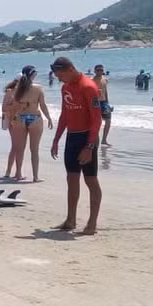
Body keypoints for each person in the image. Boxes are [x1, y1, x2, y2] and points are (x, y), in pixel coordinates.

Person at [50, 57, 102, 235]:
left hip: (87, 137)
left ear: (70, 69)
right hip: (72, 137)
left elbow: (97, 120)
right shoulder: (66, 88)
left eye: (61, 75)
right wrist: (56, 139)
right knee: (71, 179)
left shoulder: (89, 87)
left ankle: (92, 223)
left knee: (90, 180)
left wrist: (89, 146)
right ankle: (70, 219)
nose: (59, 79)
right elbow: (65, 115)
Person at [8, 65, 54, 182]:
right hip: (35, 118)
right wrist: (48, 118)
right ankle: (35, 176)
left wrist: (11, 119)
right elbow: (42, 105)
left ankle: (18, 174)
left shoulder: (18, 88)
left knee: (20, 148)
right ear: (32, 74)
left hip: (20, 118)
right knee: (34, 149)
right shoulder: (38, 88)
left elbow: (13, 105)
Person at [92, 65, 112, 145]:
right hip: (95, 102)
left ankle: (104, 140)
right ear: (95, 71)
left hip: (104, 102)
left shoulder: (105, 80)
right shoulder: (92, 80)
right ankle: (95, 139)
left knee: (108, 121)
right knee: (96, 122)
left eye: (101, 70)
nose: (100, 71)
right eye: (98, 70)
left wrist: (108, 103)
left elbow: (105, 91)